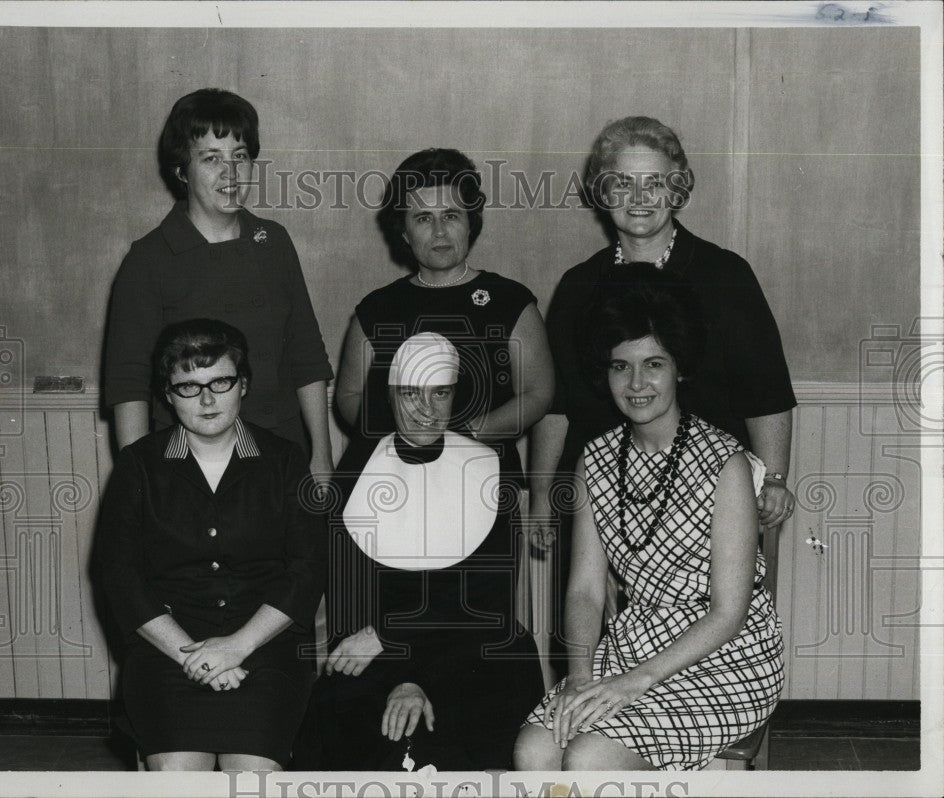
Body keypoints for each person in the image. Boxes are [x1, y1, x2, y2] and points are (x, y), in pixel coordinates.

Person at [514, 267, 784, 771]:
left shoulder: (723, 462)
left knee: (589, 757)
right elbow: (584, 593)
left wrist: (632, 682)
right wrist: (579, 678)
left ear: (680, 368)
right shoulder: (595, 458)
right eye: (620, 366)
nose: (636, 384)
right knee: (534, 752)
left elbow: (729, 613)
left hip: (725, 658)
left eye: (653, 363)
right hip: (635, 640)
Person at [531, 115, 796, 551]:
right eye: (621, 183)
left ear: (677, 190)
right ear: (602, 192)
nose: (638, 198)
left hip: (708, 502)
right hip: (599, 504)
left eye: (654, 183)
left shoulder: (726, 275)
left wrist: (775, 479)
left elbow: (765, 391)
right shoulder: (579, 286)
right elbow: (556, 404)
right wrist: (542, 494)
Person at [297, 333, 543, 771]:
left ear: (456, 395)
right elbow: (350, 604)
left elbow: (488, 600)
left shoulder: (489, 468)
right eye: (411, 393)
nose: (426, 410)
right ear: (390, 397)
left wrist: (399, 647)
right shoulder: (356, 474)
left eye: (440, 393)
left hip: (473, 649)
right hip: (376, 658)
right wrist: (401, 673)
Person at [98, 319, 326, 771]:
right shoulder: (138, 466)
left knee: (254, 774)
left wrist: (237, 646)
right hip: (168, 652)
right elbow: (120, 575)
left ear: (243, 385)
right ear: (167, 394)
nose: (206, 399)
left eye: (219, 382)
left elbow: (308, 569)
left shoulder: (285, 459)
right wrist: (197, 657)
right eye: (188, 386)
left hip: (264, 649)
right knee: (178, 774)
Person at [104, 88, 334, 488]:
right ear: (181, 170)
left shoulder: (273, 242)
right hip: (189, 468)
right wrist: (141, 485)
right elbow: (129, 384)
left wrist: (321, 457)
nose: (231, 174)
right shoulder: (148, 260)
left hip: (280, 454)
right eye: (211, 158)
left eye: (240, 156)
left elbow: (307, 356)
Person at [334, 147, 554, 480]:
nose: (439, 231)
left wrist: (469, 434)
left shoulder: (510, 301)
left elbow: (538, 393)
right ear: (405, 232)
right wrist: (401, 433)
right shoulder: (377, 308)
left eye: (451, 215)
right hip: (390, 472)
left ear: (470, 223)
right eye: (423, 218)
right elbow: (349, 396)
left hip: (481, 470)